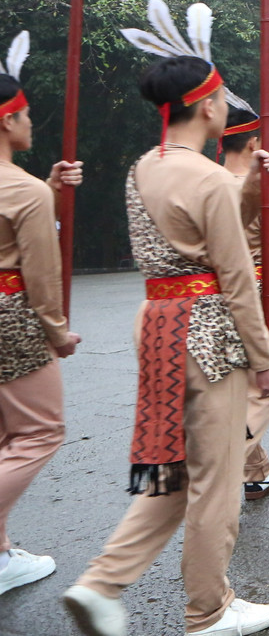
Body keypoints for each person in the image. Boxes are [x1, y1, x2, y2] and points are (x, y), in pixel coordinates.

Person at [66, 36, 269, 636]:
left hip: (159, 324)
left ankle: (103, 583)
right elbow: (236, 277)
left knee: (176, 469)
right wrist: (266, 358)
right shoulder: (210, 178)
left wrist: (252, 187)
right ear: (209, 107)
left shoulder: (146, 167)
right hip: (210, 332)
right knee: (216, 481)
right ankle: (207, 610)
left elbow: (188, 229)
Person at [0, 34, 83, 598]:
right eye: (26, 114)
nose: (32, 122)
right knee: (38, 431)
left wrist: (49, 192)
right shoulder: (24, 190)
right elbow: (40, 274)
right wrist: (56, 331)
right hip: (10, 316)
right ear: (8, 121)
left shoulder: (32, 190)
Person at [220, 108, 269, 502]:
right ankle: (226, 462)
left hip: (210, 298)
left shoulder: (207, 184)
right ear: (254, 143)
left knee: (239, 384)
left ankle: (256, 473)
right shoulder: (261, 195)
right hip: (256, 294)